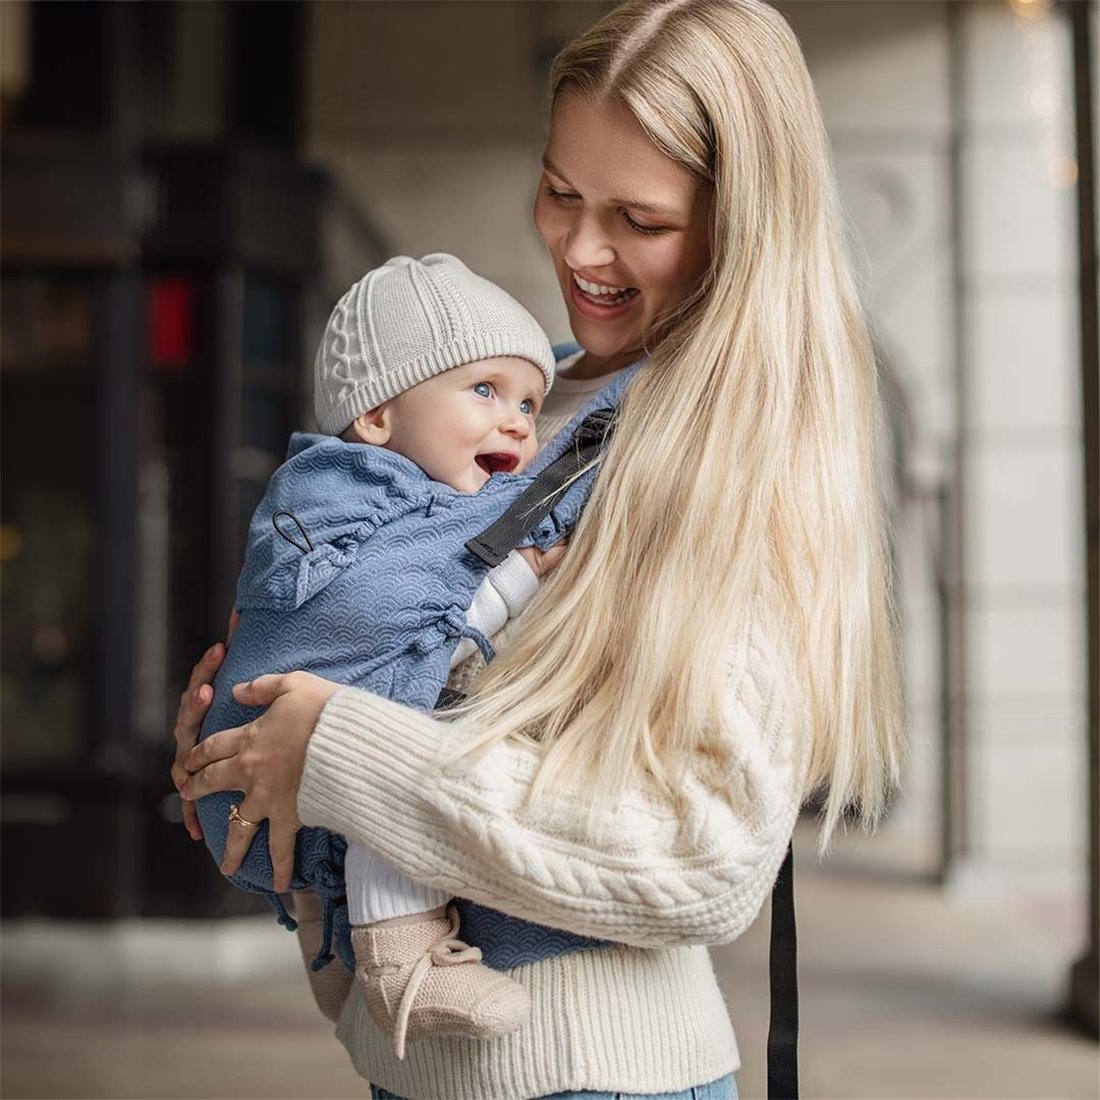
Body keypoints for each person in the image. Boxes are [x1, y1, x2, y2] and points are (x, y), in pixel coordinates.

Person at [173, 0, 905, 1097]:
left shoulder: (743, 464)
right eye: (560, 191)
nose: (576, 246)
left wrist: (338, 750)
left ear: (739, 226)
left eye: (637, 219)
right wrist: (254, 726)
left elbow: (702, 859)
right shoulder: (536, 394)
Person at [196, 252, 627, 1059]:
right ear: (378, 419)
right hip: (275, 758)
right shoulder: (341, 493)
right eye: (486, 392)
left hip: (577, 1025)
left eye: (531, 404)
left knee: (370, 758)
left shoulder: (406, 493)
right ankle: (404, 955)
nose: (518, 423)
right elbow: (404, 615)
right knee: (391, 765)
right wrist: (520, 577)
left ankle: (339, 939)